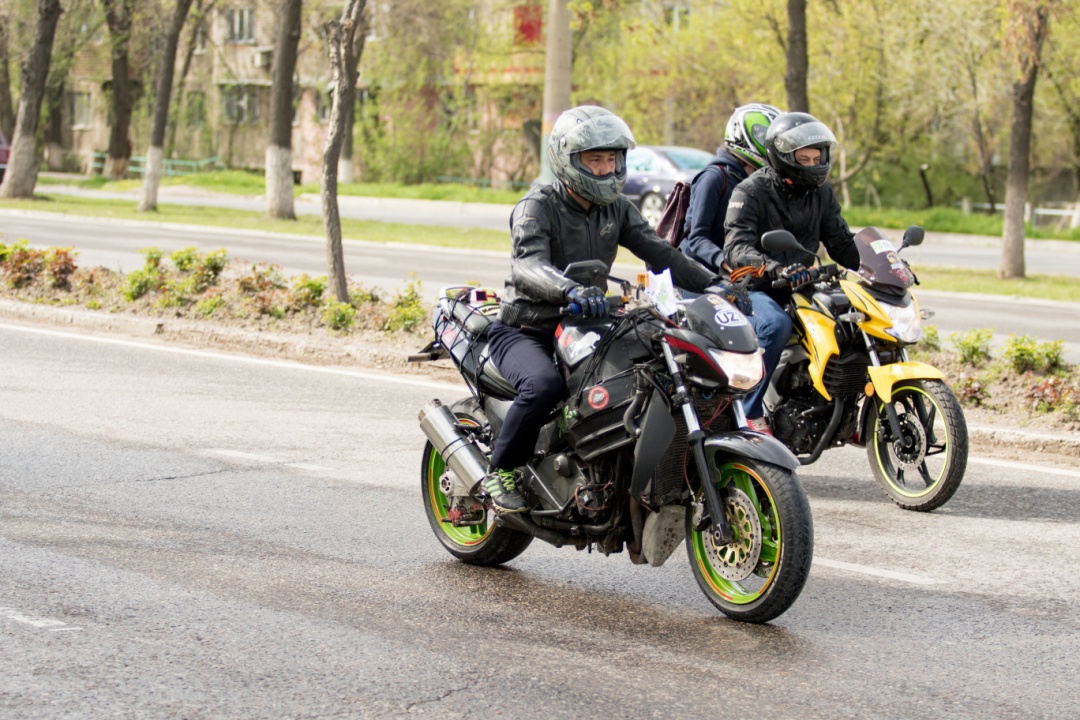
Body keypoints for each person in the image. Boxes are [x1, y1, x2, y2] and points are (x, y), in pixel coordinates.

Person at [483, 105, 721, 513]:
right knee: (543, 387)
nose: (606, 168)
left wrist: (715, 283)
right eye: (595, 160)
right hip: (528, 329)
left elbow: (660, 252)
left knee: (647, 370)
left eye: (612, 159)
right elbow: (528, 265)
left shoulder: (617, 208)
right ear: (568, 159)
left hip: (587, 323)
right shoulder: (537, 206)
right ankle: (501, 470)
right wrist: (568, 289)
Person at [723, 112, 861, 436]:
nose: (814, 165)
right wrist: (774, 268)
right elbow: (736, 246)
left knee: (853, 317)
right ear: (784, 157)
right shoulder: (751, 191)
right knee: (774, 324)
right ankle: (749, 413)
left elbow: (841, 242)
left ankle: (848, 408)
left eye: (818, 157)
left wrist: (883, 262)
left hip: (802, 284)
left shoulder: (822, 194)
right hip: (755, 286)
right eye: (805, 158)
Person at [681, 103, 782, 274]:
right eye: (765, 139)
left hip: (738, 275)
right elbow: (696, 239)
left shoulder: (760, 181)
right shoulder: (714, 178)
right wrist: (724, 262)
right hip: (699, 276)